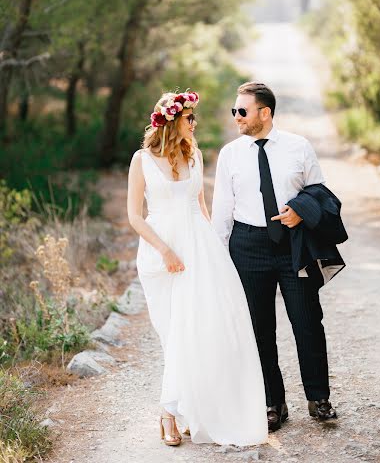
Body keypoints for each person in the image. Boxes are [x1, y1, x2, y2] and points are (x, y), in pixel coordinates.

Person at [127, 90, 268, 447]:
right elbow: (133, 215)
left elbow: (202, 209)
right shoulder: (141, 160)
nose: (195, 124)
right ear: (173, 121)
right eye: (190, 118)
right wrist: (165, 251)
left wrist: (219, 253)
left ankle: (170, 414)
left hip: (198, 252)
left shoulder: (196, 157)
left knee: (196, 331)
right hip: (160, 255)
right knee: (170, 333)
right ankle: (182, 407)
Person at [212, 81, 339, 433]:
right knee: (258, 330)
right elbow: (222, 210)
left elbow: (320, 192)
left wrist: (300, 210)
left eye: (243, 111)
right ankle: (273, 403)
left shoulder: (299, 147)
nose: (236, 116)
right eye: (235, 111)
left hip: (293, 246)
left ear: (264, 113)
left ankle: (319, 398)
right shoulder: (230, 154)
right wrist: (218, 258)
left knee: (307, 322)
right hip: (247, 246)